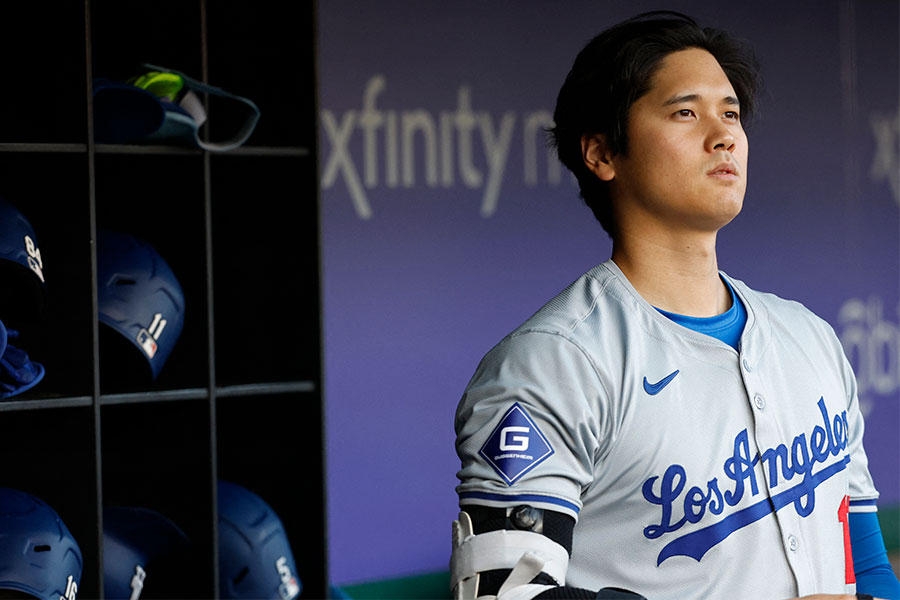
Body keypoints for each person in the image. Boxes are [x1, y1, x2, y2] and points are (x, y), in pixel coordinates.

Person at [450, 11, 900, 600]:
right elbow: (506, 594)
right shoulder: (553, 363)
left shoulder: (810, 337)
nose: (723, 135)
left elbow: (864, 565)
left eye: (731, 113)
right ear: (602, 153)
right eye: (686, 112)